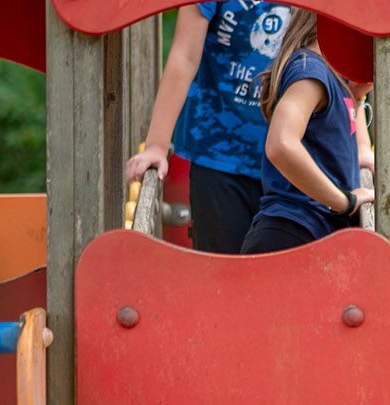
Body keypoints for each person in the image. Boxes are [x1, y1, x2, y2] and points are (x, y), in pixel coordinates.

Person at [123, 3, 293, 253]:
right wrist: (156, 146)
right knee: (220, 271)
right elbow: (184, 56)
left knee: (288, 274)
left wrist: (361, 146)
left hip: (294, 158)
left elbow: (337, 65)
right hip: (218, 151)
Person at [240, 8, 368, 254]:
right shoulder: (311, 71)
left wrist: (359, 92)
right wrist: (344, 201)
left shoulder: (331, 77)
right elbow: (281, 144)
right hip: (291, 233)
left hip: (306, 233)